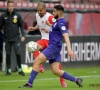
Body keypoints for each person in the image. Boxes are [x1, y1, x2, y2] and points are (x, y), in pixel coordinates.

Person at [19, 5, 83, 88]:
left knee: (37, 60)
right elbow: (56, 32)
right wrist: (48, 29)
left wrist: (69, 50)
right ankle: (77, 80)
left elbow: (66, 36)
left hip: (54, 47)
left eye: (54, 11)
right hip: (54, 46)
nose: (52, 13)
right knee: (56, 71)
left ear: (59, 12)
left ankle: (29, 84)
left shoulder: (61, 22)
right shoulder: (57, 21)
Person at [28, 2, 67, 87]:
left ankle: (62, 81)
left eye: (41, 10)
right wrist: (34, 28)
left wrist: (48, 30)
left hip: (51, 41)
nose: (39, 12)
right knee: (33, 46)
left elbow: (57, 28)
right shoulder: (37, 15)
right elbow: (39, 23)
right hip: (43, 40)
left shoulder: (50, 17)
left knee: (57, 65)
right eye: (38, 10)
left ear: (45, 9)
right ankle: (40, 66)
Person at [0, 0, 26, 76]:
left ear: (13, 6)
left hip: (16, 38)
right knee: (8, 54)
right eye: (9, 6)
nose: (11, 7)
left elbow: (21, 26)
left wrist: (23, 35)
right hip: (7, 39)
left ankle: (20, 69)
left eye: (12, 6)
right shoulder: (3, 16)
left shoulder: (17, 15)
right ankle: (8, 70)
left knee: (18, 54)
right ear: (7, 6)